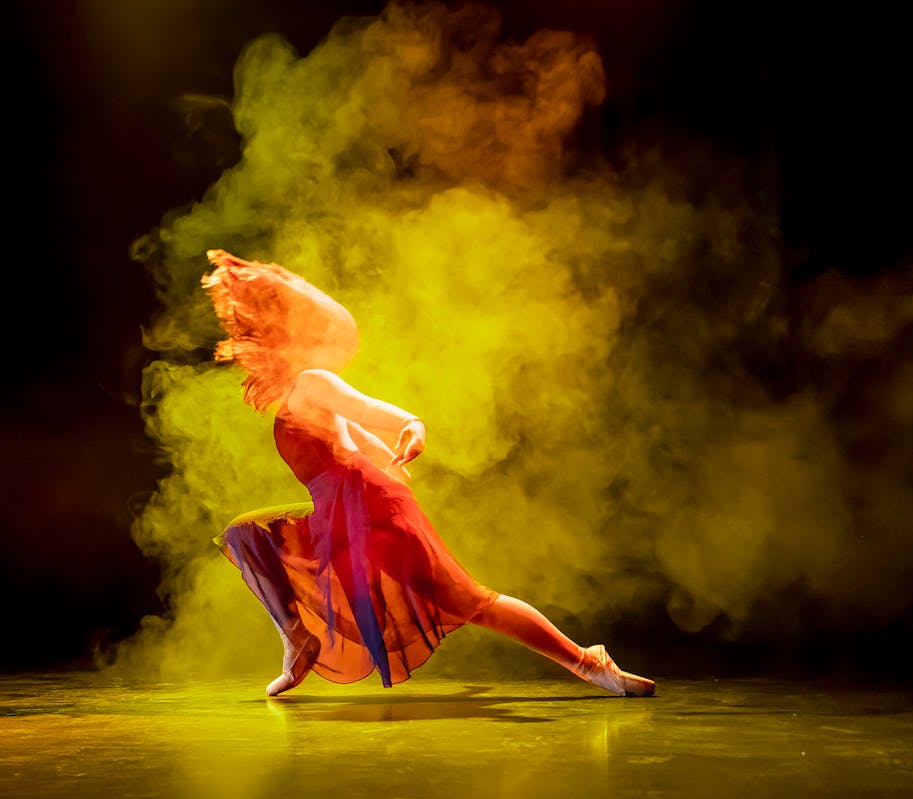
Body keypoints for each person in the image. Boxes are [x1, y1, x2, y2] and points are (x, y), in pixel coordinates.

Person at [203, 249, 655, 698]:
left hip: (367, 510)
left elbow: (368, 412)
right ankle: (299, 640)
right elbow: (362, 438)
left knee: (472, 604)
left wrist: (410, 425)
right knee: (250, 536)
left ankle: (588, 661)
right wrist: (389, 458)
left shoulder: (314, 382)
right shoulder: (303, 394)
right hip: (343, 513)